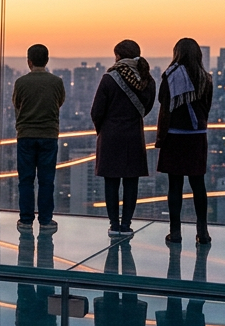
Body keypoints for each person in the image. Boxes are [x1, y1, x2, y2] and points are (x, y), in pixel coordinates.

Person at [90, 40, 155, 237]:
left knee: (111, 182)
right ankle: (126, 225)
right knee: (131, 181)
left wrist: (104, 129)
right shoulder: (147, 79)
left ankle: (114, 225)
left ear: (118, 56)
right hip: (134, 134)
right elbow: (148, 106)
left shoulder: (109, 79)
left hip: (111, 135)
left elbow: (96, 111)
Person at [157, 38, 212, 244]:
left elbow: (163, 101)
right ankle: (203, 232)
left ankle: (176, 232)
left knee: (175, 185)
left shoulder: (170, 77)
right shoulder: (205, 78)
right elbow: (207, 106)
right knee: (198, 184)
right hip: (197, 136)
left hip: (175, 136)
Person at [12, 43, 66, 230]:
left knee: (26, 180)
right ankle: (45, 219)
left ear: (29, 61)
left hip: (26, 135)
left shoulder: (21, 82)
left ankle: (26, 219)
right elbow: (59, 102)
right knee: (46, 180)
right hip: (49, 135)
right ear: (47, 60)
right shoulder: (56, 82)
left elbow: (17, 104)